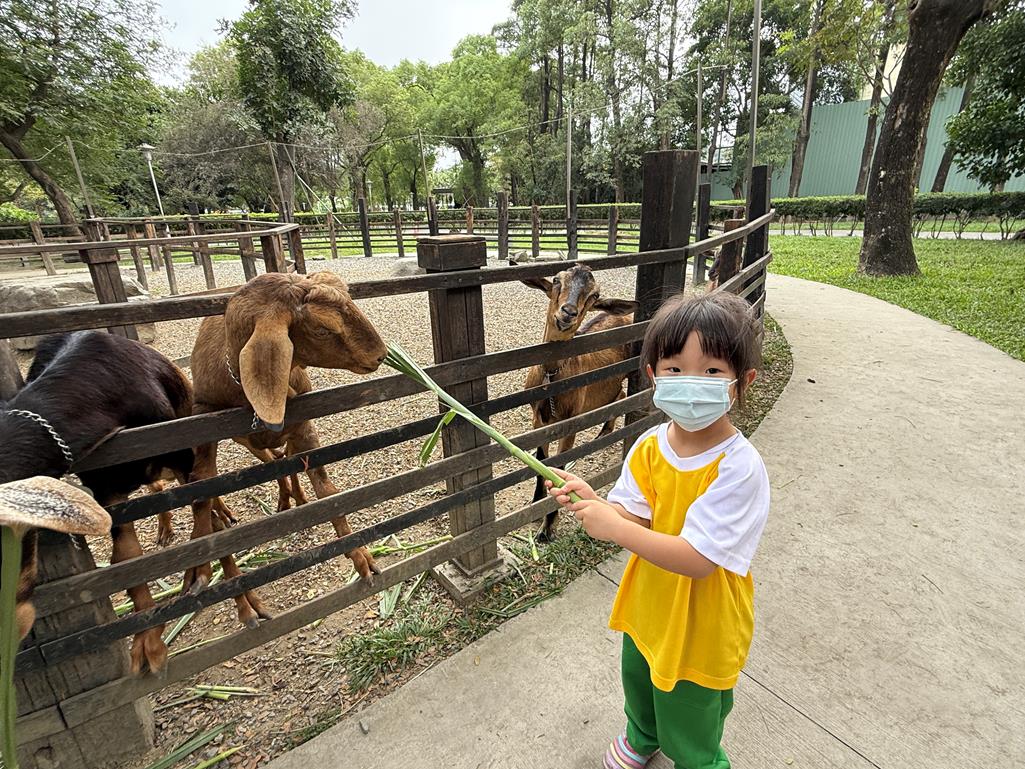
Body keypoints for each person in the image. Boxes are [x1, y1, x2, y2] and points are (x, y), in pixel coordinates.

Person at [547, 291, 770, 769]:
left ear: (742, 381)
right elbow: (633, 516)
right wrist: (596, 504)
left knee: (690, 710)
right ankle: (642, 735)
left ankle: (700, 762)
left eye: (711, 371)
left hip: (701, 620)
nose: (690, 382)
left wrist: (615, 529)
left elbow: (698, 559)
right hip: (649, 601)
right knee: (640, 675)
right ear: (652, 374)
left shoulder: (739, 468)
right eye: (675, 368)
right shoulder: (650, 446)